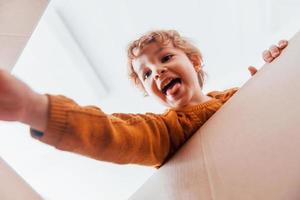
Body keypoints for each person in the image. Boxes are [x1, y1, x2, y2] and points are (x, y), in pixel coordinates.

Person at [0, 30, 288, 168]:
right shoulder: (165, 131)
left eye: (165, 58)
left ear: (195, 61)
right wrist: (34, 108)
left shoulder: (236, 97)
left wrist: (279, 70)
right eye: (147, 74)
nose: (158, 71)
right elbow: (113, 135)